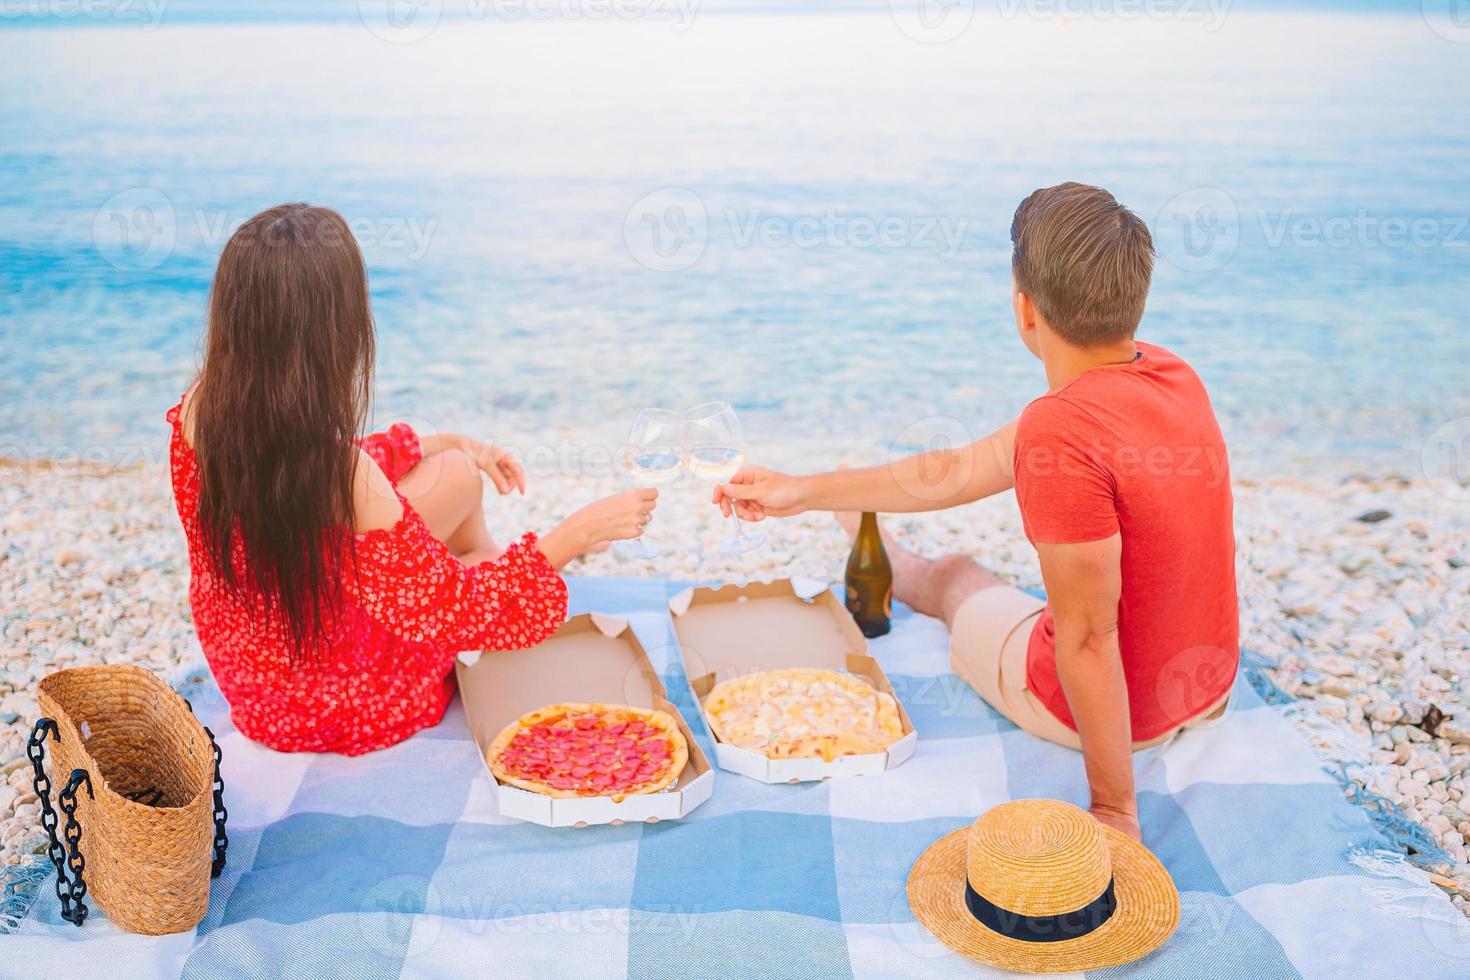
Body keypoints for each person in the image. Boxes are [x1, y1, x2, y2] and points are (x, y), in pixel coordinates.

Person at [712, 183, 1239, 841]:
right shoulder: (1172, 372)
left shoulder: (1061, 429)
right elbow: (956, 471)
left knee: (958, 575)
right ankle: (851, 510)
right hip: (1208, 685)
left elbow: (1087, 638)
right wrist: (805, 488)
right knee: (1040, 586)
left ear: (1024, 310)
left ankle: (888, 554)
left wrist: (1113, 810)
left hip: (1120, 717)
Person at [169, 203, 655, 755]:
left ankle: (493, 593)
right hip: (343, 703)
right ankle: (495, 624)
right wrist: (581, 531)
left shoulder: (202, 406)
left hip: (255, 681)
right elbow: (452, 607)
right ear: (336, 325)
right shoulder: (344, 477)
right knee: (472, 580)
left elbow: (294, 467)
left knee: (454, 471)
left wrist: (441, 443)